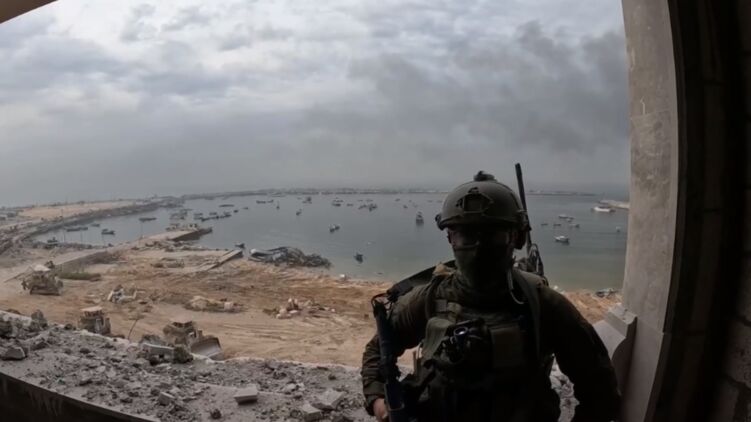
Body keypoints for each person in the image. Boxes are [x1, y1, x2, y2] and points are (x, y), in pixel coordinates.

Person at [361, 171, 621, 421]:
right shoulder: (432, 298)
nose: (478, 248)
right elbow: (379, 348)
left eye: (492, 235)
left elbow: (599, 389)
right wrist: (379, 402)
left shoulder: (542, 305)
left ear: (517, 238)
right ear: (450, 238)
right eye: (466, 235)